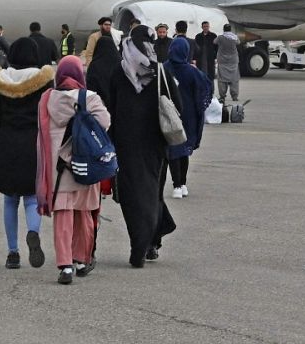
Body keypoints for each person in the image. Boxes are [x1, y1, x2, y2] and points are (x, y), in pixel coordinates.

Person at [103, 26, 177, 266]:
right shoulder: (160, 71)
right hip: (155, 143)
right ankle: (150, 242)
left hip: (126, 144)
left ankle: (140, 244)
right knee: (152, 192)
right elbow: (177, 105)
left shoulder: (119, 71)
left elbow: (110, 108)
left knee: (131, 196)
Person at [38, 55, 111, 284]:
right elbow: (105, 122)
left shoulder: (47, 98)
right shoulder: (90, 98)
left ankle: (65, 265)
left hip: (58, 167)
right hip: (85, 163)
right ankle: (81, 259)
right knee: (84, 212)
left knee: (63, 214)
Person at [0, 38, 53, 269]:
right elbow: (50, 114)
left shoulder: (1, 80)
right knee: (32, 197)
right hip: (33, 143)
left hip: (7, 142)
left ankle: (12, 252)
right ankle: (33, 232)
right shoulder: (44, 81)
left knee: (9, 199)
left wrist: (3, 134)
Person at [165, 39, 211, 198]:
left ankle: (176, 185)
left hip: (169, 114)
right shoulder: (192, 71)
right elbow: (206, 86)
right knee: (184, 149)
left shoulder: (164, 68)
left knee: (173, 149)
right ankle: (183, 184)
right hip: (188, 115)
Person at [216, 26, 241, 104]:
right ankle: (234, 96)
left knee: (222, 80)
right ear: (230, 29)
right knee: (234, 79)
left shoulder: (220, 38)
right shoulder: (234, 37)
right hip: (233, 61)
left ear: (223, 29)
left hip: (222, 61)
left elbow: (214, 42)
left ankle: (222, 96)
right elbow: (239, 42)